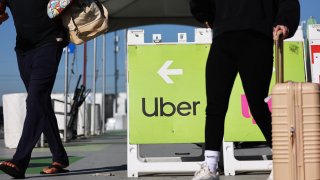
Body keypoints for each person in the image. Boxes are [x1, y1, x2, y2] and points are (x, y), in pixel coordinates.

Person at [189, 0, 300, 180]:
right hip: (223, 38)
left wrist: (284, 20)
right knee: (215, 106)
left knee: (257, 105)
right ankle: (209, 167)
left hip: (257, 37)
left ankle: (283, 160)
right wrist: (205, 14)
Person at [0, 0, 70, 178]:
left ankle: (19, 161)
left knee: (35, 100)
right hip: (23, 49)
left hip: (50, 41)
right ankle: (60, 158)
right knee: (41, 103)